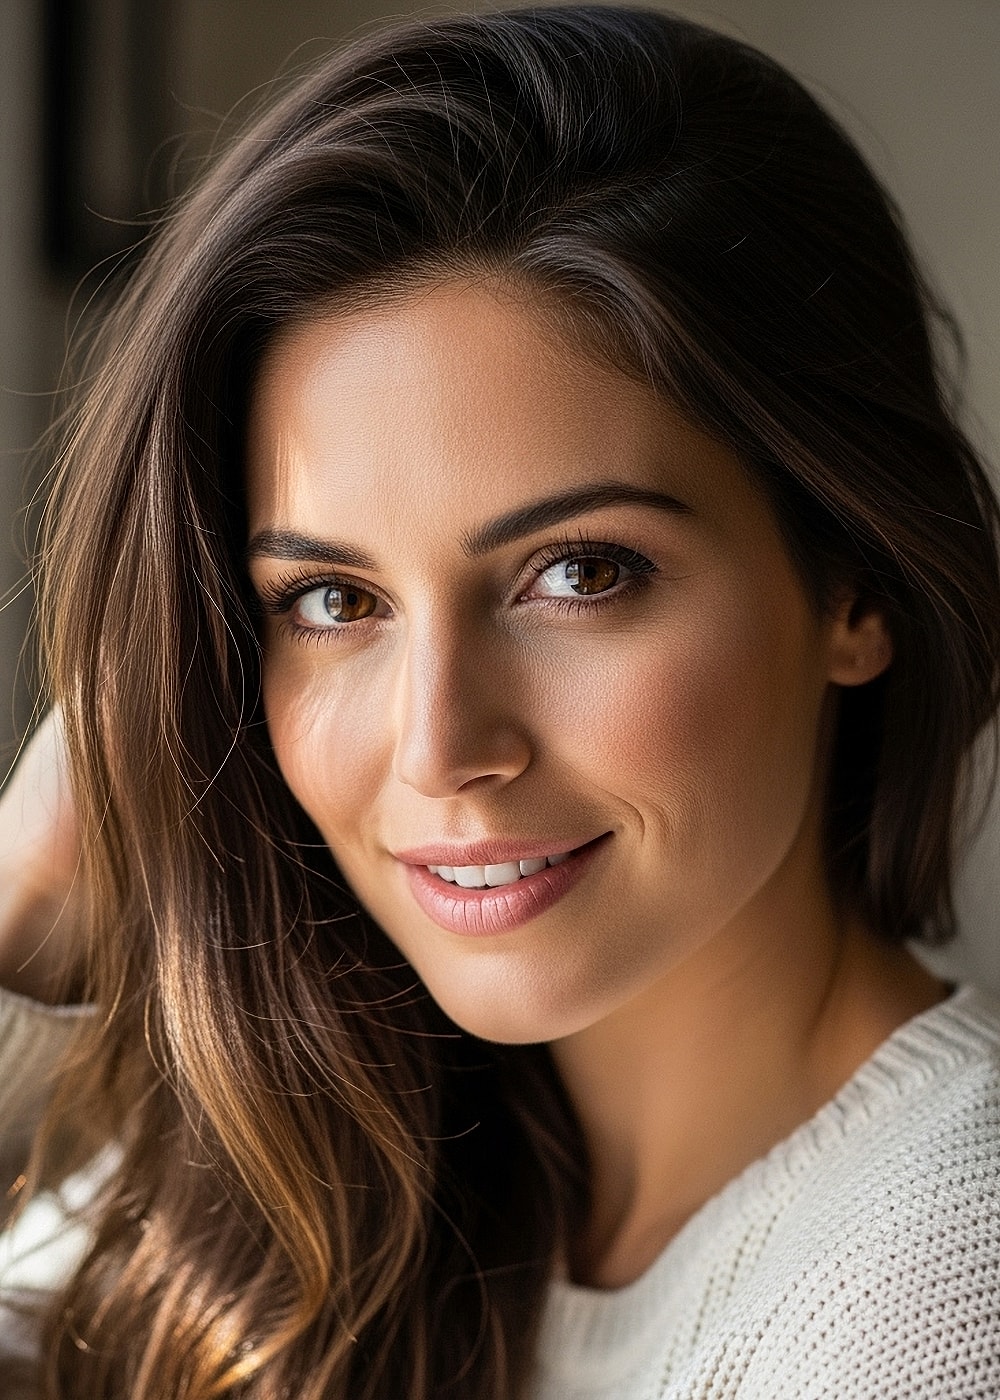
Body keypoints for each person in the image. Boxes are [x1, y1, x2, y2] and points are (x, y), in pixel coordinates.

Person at [1, 5, 999, 1397]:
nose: (439, 746)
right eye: (334, 601)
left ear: (855, 588)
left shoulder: (933, 1297)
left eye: (579, 574)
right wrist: (28, 897)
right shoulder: (360, 1166)